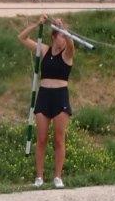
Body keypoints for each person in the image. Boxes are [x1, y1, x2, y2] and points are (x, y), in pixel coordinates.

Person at [18, 15, 76, 189]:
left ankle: (57, 177)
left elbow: (72, 44)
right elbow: (22, 38)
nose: (63, 39)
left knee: (59, 139)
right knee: (41, 138)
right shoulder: (44, 50)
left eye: (65, 36)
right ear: (53, 37)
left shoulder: (68, 53)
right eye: (61, 36)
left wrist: (64, 28)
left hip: (60, 97)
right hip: (44, 96)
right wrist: (38, 24)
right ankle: (39, 177)